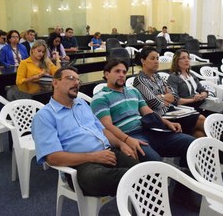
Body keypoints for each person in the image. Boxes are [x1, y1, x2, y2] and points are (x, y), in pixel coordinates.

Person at [90, 60, 199, 211]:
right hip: (129, 136)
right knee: (153, 160)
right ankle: (149, 207)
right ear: (106, 74)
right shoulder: (100, 98)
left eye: (124, 71)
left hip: (149, 130)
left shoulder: (133, 91)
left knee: (191, 144)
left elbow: (147, 111)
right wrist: (127, 140)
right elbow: (107, 126)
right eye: (117, 71)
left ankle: (182, 194)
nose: (121, 74)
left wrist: (167, 123)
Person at [32, 67, 138, 197]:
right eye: (70, 78)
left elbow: (102, 130)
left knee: (143, 168)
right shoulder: (44, 116)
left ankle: (139, 184)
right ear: (55, 83)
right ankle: (137, 183)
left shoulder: (82, 104)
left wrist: (121, 144)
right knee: (116, 178)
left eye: (78, 80)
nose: (76, 83)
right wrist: (93, 156)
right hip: (80, 165)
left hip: (108, 153)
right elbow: (52, 158)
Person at [133, 47, 206, 138]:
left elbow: (174, 96)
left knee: (199, 134)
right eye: (152, 59)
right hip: (161, 116)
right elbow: (156, 103)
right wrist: (167, 97)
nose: (156, 61)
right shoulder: (139, 80)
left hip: (173, 111)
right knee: (202, 119)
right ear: (143, 61)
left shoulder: (157, 77)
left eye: (157, 58)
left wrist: (161, 96)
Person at [167, 49, 209, 116]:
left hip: (200, 103)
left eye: (188, 58)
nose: (187, 60)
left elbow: (202, 90)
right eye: (183, 58)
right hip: (188, 107)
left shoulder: (191, 75)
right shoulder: (173, 77)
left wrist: (202, 95)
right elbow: (175, 100)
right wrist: (194, 100)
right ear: (177, 61)